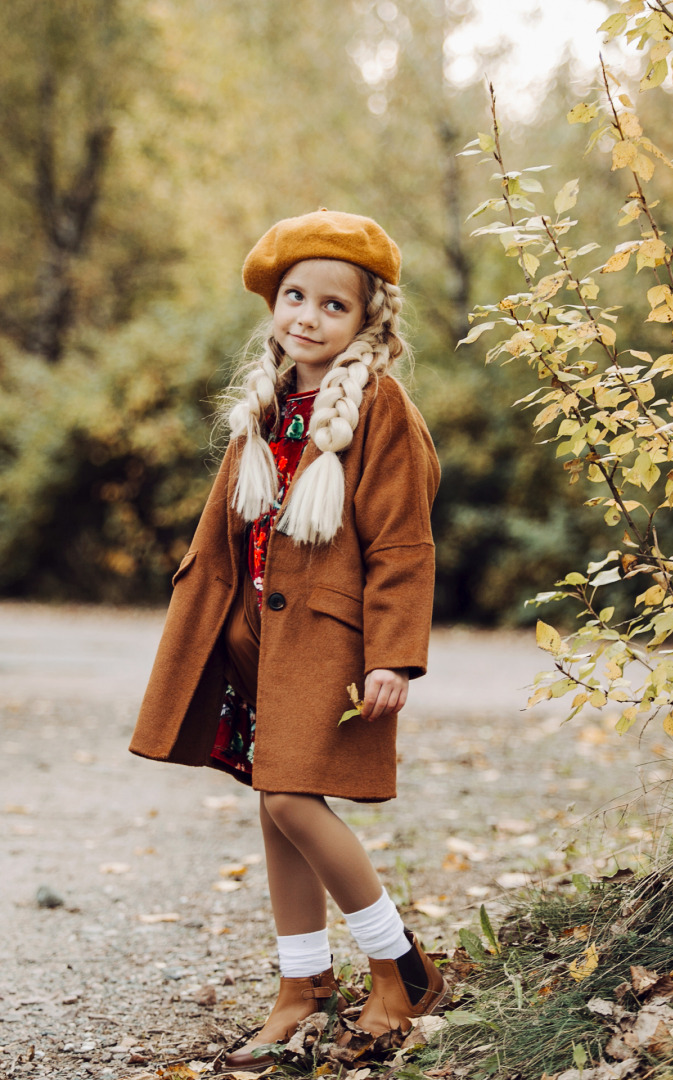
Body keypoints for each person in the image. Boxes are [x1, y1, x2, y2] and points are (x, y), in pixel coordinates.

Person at [129, 209, 446, 1070]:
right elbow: (226, 536)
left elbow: (402, 543)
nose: (306, 315)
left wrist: (391, 655)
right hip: (256, 643)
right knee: (275, 808)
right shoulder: (265, 405)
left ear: (367, 321)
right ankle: (299, 986)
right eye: (294, 296)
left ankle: (401, 968)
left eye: (331, 305)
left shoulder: (381, 409)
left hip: (332, 644)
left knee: (291, 800)